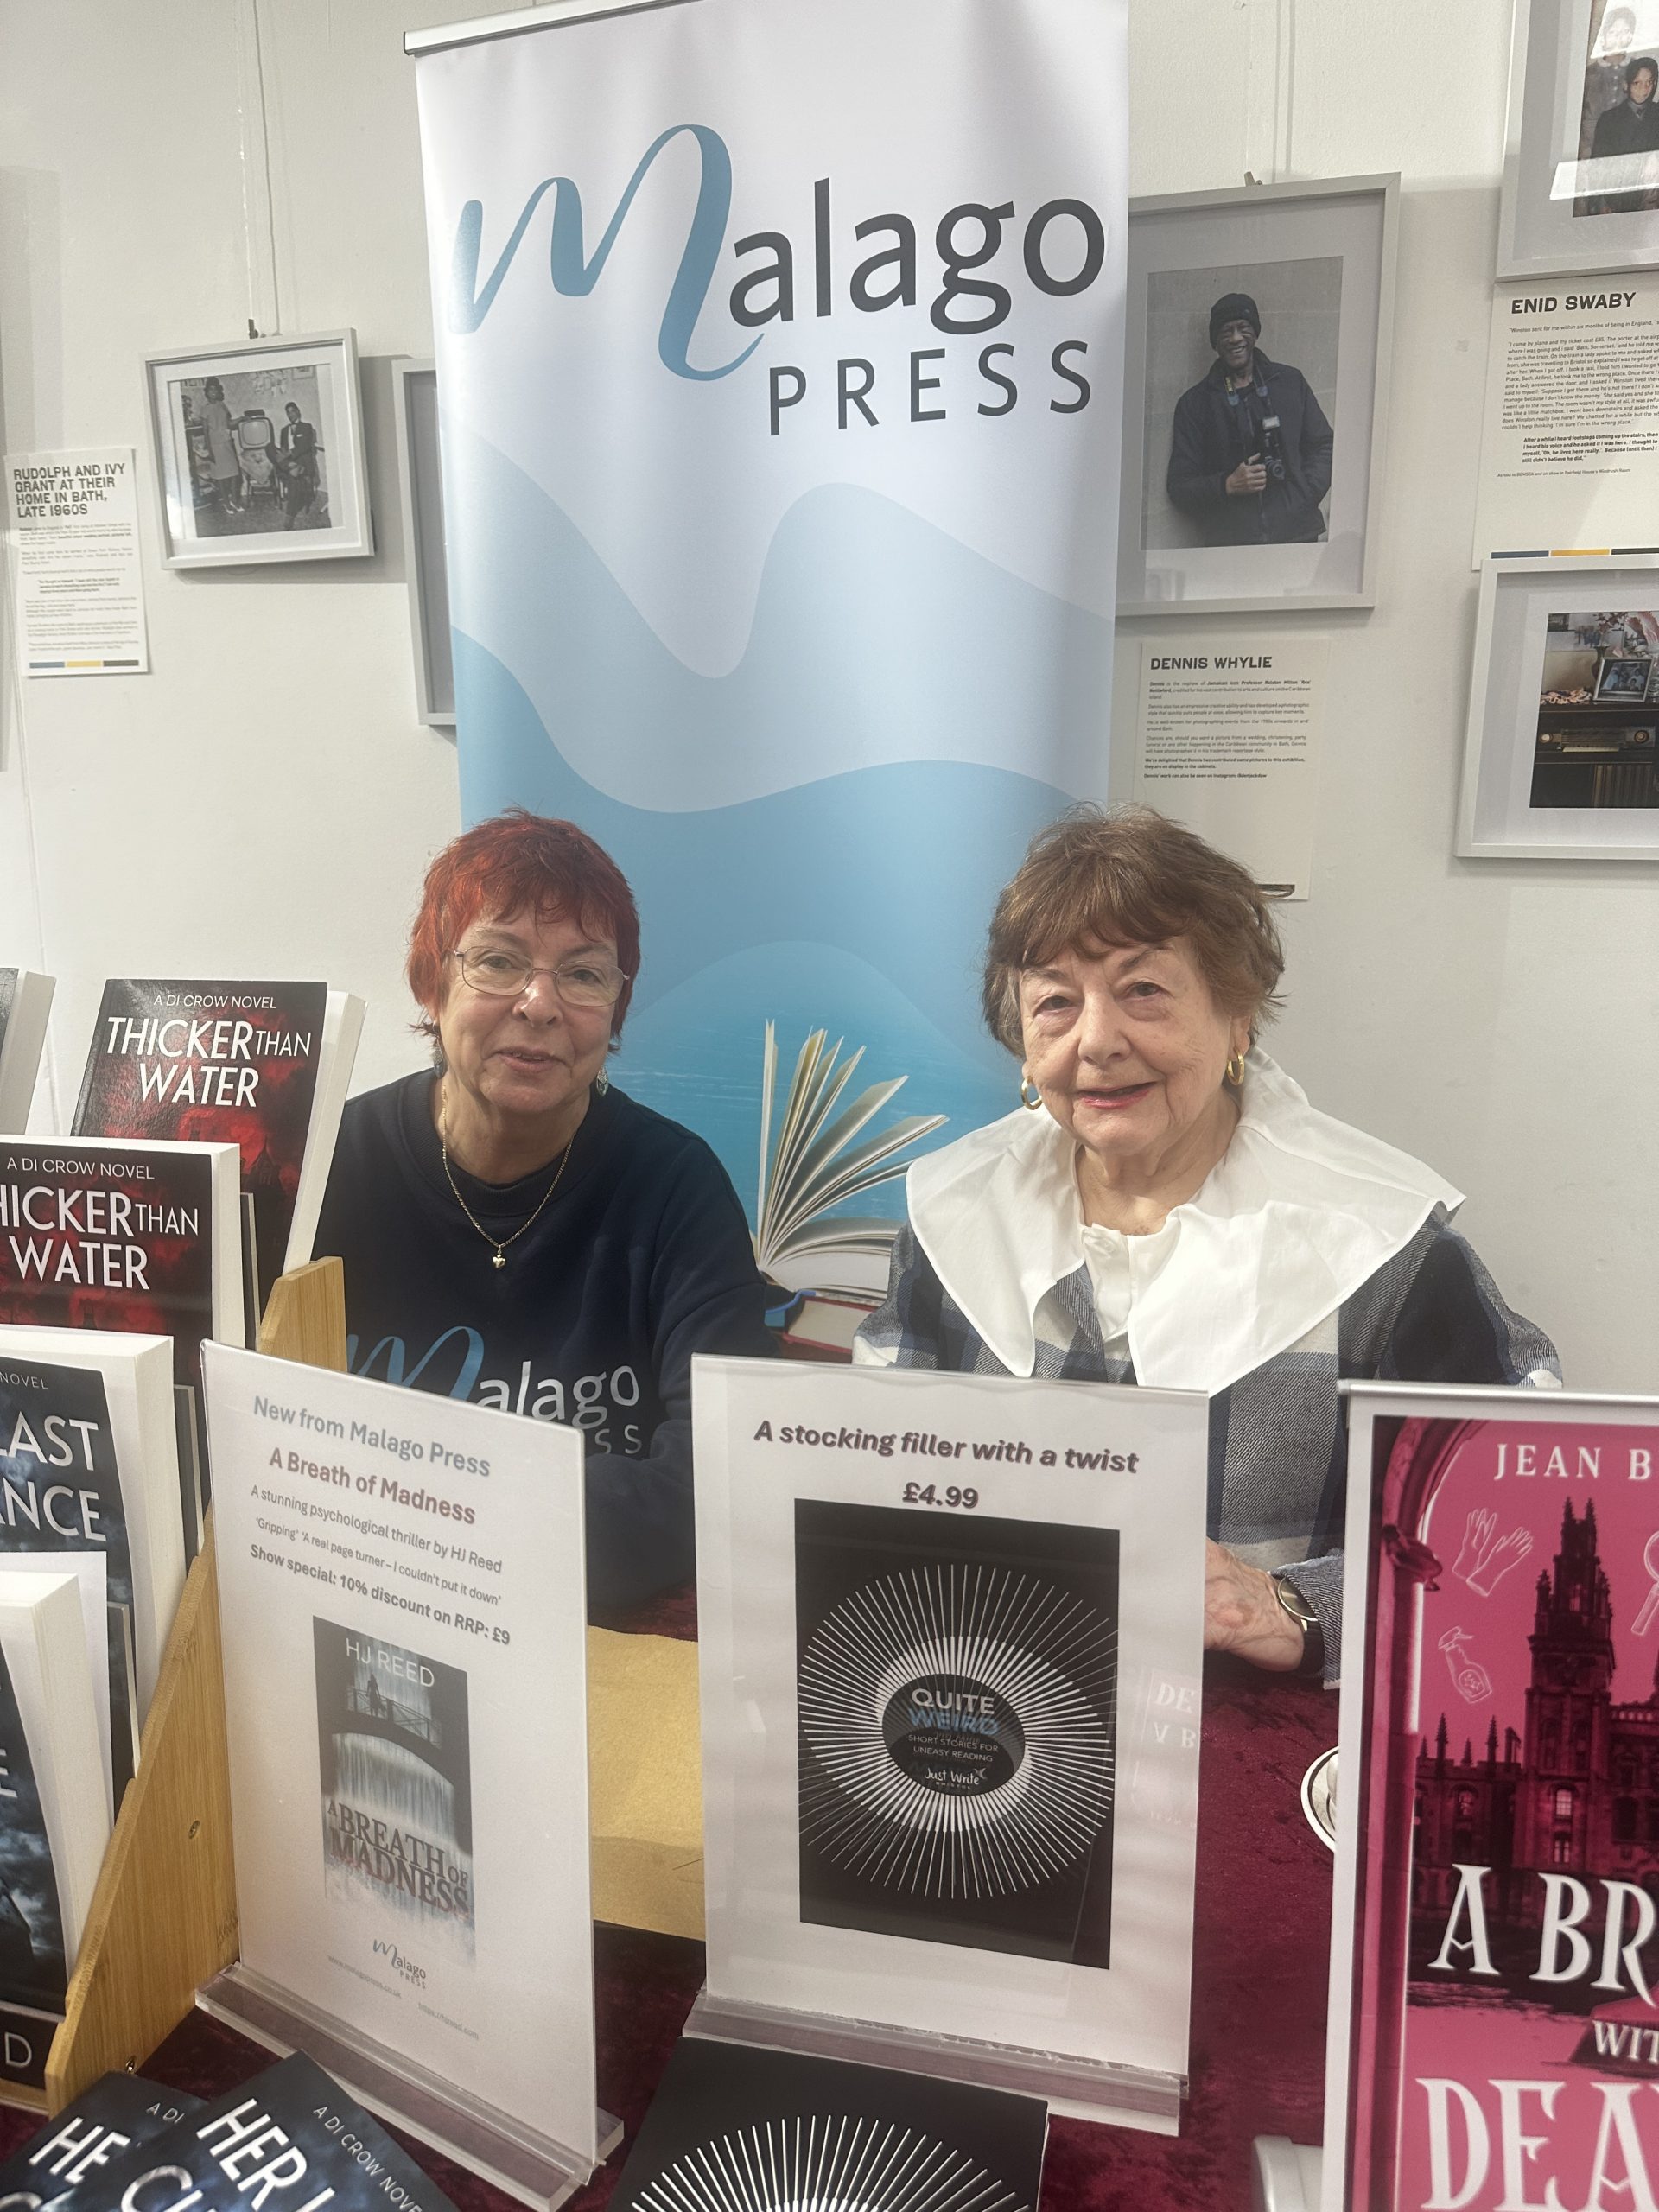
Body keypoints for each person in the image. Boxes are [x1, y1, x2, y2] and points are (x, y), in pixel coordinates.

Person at [855, 808, 1559, 1683]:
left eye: (1144, 989)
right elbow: (861, 1484)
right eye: (1056, 1002)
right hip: (986, 1710)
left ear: (1237, 1019)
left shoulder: (1384, 1250)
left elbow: (1536, 1529)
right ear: (1024, 1046)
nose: (1099, 1040)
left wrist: (1298, 1604)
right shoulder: (953, 1220)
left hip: (1263, 1746)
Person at [314, 809, 778, 1614]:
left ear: (616, 1010)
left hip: (598, 1638)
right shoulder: (328, 1167)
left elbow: (726, 1469)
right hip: (364, 1619)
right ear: (432, 981)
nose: (539, 1003)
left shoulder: (676, 1185)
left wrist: (437, 1536)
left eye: (585, 974)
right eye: (498, 962)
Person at [1166, 292, 1334, 547]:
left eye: (1242, 328)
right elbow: (1179, 487)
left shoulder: (1290, 382)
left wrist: (1302, 496)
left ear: (1255, 333)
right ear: (1215, 342)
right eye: (1225, 331)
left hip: (1298, 536)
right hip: (1232, 547)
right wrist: (1227, 485)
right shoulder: (1194, 403)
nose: (1235, 338)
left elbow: (1325, 447)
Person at [1587, 54, 1659, 211]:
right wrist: (1602, 202)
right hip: (1619, 199)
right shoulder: (1609, 119)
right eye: (1637, 83)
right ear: (1626, 85)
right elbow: (1598, 165)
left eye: (1650, 83)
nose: (1644, 89)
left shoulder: (1656, 113)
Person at [199, 377, 241, 519]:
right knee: (222, 477)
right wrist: (209, 450)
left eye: (215, 390)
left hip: (227, 443)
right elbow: (205, 432)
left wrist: (241, 419)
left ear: (218, 391)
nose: (213, 392)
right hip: (215, 445)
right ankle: (226, 503)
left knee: (234, 474)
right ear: (207, 392)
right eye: (211, 390)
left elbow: (229, 423)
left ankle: (235, 500)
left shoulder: (222, 405)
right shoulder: (205, 410)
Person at [276, 400, 320, 529]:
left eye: (292, 411)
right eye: (288, 413)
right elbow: (282, 449)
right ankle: (291, 467)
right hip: (289, 463)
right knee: (269, 447)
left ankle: (289, 516)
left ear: (298, 412)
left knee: (293, 477)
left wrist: (289, 454)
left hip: (302, 463)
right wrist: (285, 458)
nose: (290, 415)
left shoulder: (306, 427)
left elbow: (305, 447)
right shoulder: (284, 430)